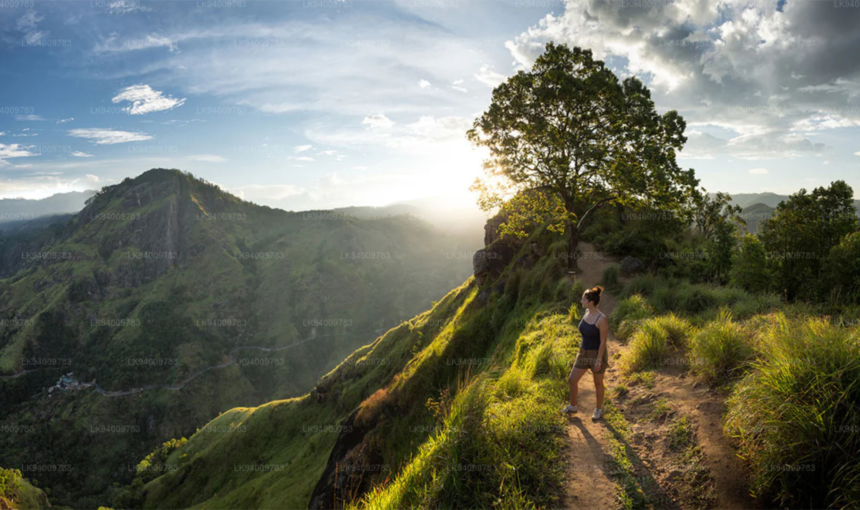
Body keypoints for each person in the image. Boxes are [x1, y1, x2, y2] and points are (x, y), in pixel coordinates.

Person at [563, 285, 609, 421]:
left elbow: (603, 342)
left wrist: (599, 360)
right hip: (583, 353)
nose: (581, 301)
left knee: (598, 383)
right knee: (572, 379)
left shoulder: (601, 319)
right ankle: (573, 406)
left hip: (596, 355)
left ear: (591, 302)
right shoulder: (586, 313)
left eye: (583, 299)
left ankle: (598, 410)